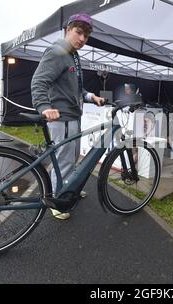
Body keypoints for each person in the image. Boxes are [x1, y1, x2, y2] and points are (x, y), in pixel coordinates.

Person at [31, 13, 105, 220]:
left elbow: (76, 89)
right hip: (61, 118)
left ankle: (69, 189)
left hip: (73, 116)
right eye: (78, 32)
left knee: (72, 157)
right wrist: (44, 106)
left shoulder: (73, 54)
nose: (82, 39)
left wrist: (91, 96)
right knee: (62, 160)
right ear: (67, 30)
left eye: (86, 36)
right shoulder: (57, 51)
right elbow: (38, 82)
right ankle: (57, 200)